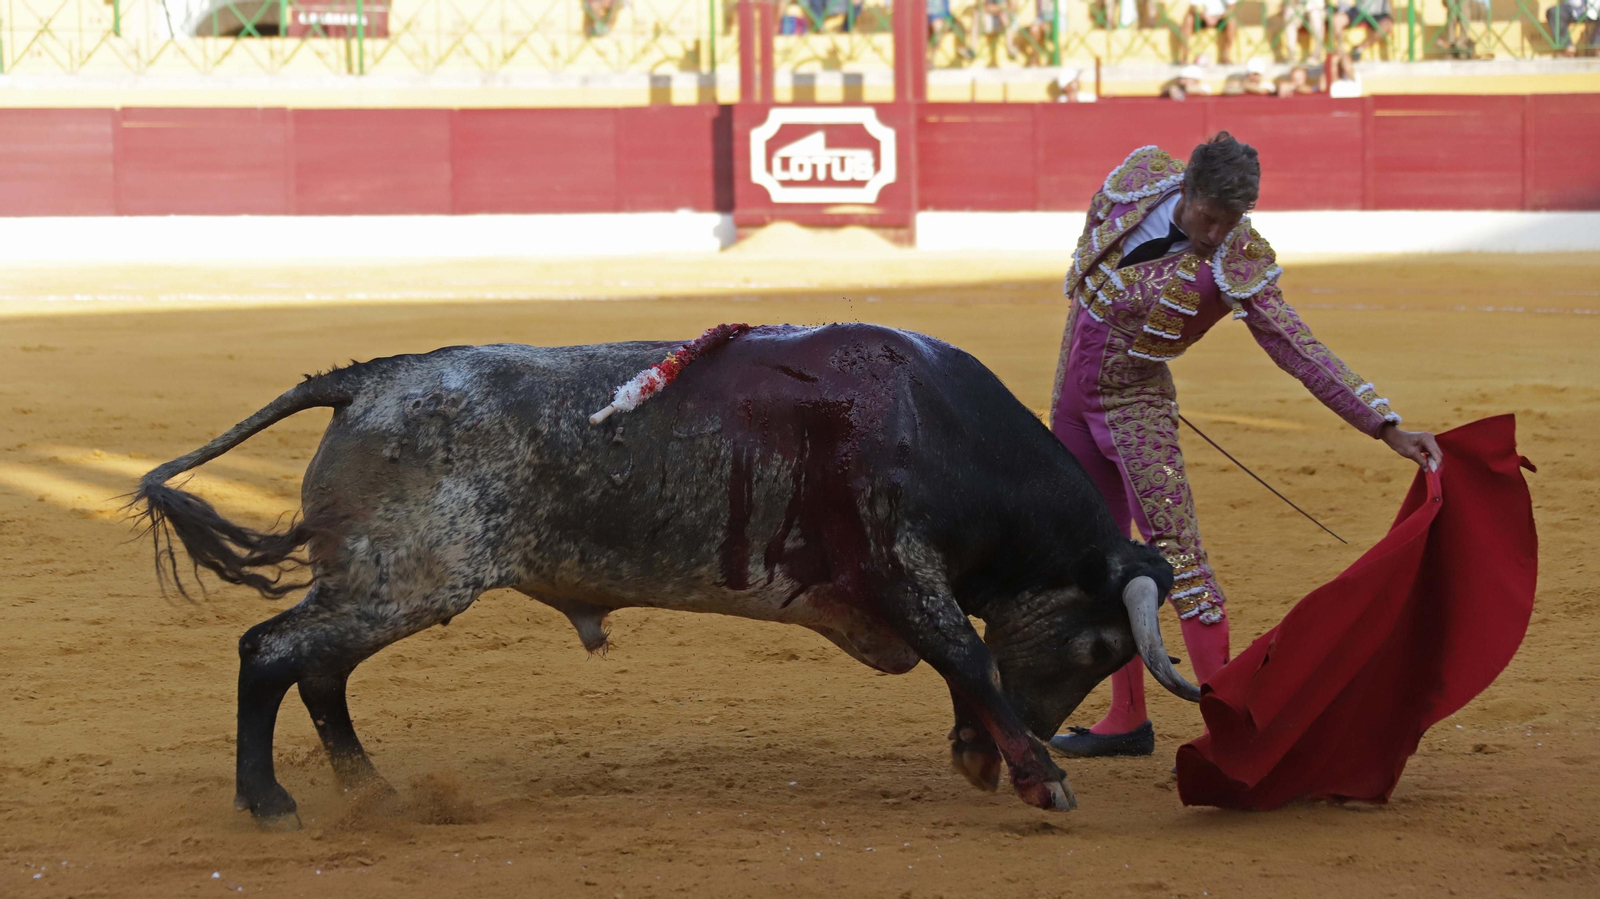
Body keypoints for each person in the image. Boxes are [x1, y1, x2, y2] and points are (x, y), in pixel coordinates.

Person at [1046, 135, 1442, 758]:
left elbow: (1296, 346)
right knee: (1095, 558)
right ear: (1188, 191)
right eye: (1210, 217)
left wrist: (1386, 426)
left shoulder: (1240, 259)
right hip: (1071, 402)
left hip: (1135, 408)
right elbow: (1088, 267)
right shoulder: (1139, 180)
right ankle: (1125, 717)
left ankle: (1228, 736)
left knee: (1183, 564)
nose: (1217, 233)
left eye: (1233, 221)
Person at [1183, 0, 1238, 64]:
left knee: (1231, 20)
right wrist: (1205, 17)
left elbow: (1231, 8)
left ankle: (1226, 55)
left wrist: (1217, 17)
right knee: (1189, 18)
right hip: (1202, 18)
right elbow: (1193, 7)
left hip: (1221, 18)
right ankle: (1184, 55)